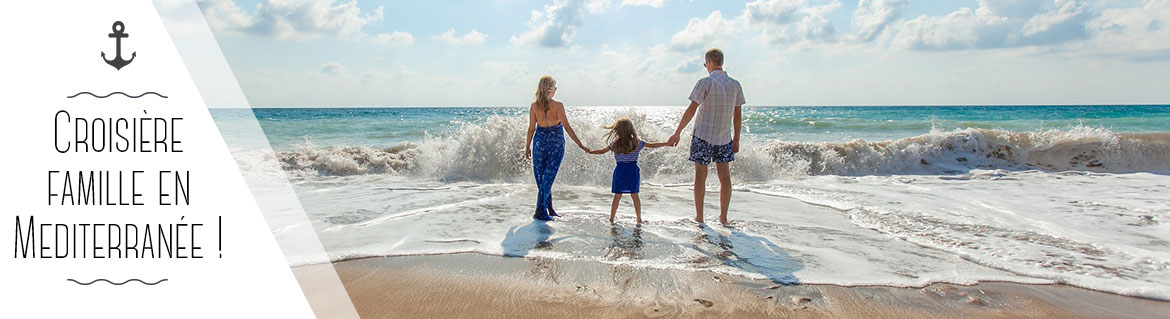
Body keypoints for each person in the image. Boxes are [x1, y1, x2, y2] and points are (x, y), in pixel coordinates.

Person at [667, 48, 745, 226]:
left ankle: (700, 217)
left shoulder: (705, 83)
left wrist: (677, 131)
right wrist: (737, 139)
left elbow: (691, 109)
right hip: (724, 137)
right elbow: (738, 115)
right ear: (721, 62)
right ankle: (723, 218)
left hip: (703, 136)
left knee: (700, 177)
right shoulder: (735, 84)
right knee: (725, 178)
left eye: (705, 64)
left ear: (709, 62)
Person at [525, 75, 588, 221]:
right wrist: (580, 144)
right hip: (555, 143)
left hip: (539, 142)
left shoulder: (535, 106)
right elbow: (566, 126)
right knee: (547, 178)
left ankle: (549, 208)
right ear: (551, 90)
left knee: (543, 178)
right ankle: (540, 210)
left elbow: (531, 129)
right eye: (555, 88)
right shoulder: (558, 106)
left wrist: (527, 146)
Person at [585, 118, 670, 224]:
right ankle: (638, 219)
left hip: (620, 171)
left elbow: (602, 151)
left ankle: (611, 218)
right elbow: (653, 145)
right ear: (631, 130)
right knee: (635, 196)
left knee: (617, 196)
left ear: (618, 131)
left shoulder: (615, 144)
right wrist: (667, 143)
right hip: (632, 171)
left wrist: (590, 152)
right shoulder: (637, 143)